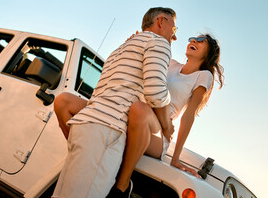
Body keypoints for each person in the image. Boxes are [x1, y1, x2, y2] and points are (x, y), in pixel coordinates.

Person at [57, 32, 224, 198]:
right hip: (124, 113)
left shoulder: (203, 76)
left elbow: (188, 116)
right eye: (192, 38)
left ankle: (122, 185)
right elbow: (150, 68)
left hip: (158, 130)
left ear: (209, 53)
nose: (194, 40)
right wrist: (136, 41)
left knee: (140, 109)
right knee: (63, 101)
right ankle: (83, 151)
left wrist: (176, 158)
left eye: (202, 40)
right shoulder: (171, 63)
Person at [52, 7, 177, 198]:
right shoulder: (158, 42)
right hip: (106, 131)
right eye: (174, 29)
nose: (173, 37)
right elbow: (155, 91)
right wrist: (167, 126)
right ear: (161, 21)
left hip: (84, 125)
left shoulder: (120, 49)